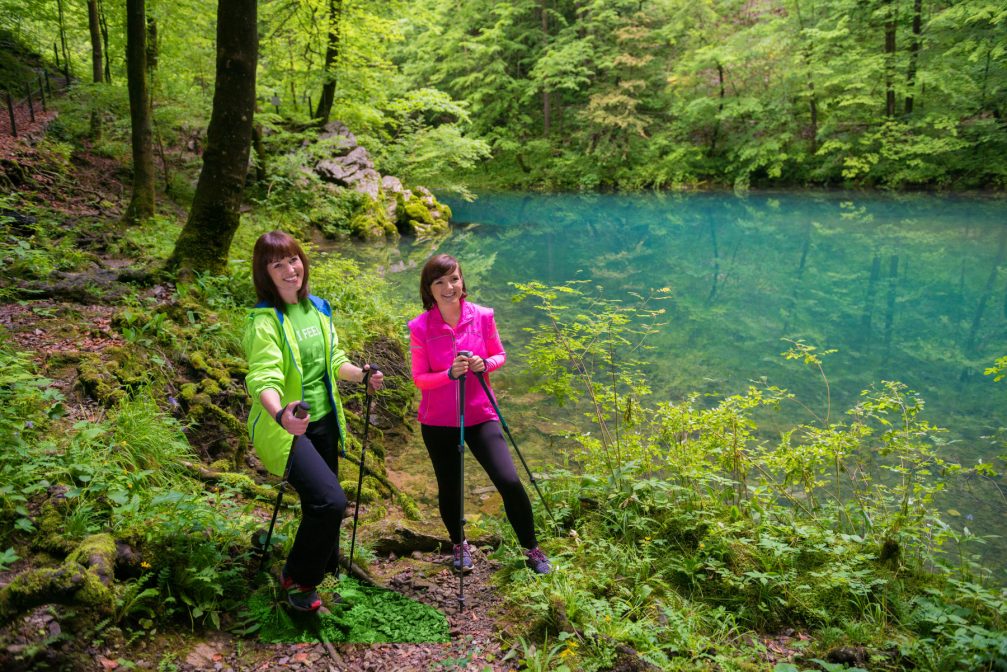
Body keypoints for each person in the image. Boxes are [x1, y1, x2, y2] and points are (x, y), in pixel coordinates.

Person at [243, 230, 383, 611]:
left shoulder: (318, 307)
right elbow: (263, 378)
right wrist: (280, 414)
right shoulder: (265, 322)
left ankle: (324, 562)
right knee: (329, 501)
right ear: (265, 273)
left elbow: (334, 360)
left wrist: (362, 374)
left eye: (293, 260)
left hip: (323, 422)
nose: (290, 270)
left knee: (318, 501)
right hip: (289, 429)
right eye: (278, 265)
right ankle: (299, 578)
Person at [408, 253, 551, 575]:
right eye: (440, 282)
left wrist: (484, 364)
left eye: (454, 279)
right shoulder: (420, 327)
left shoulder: (483, 316)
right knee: (451, 486)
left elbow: (500, 355)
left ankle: (532, 548)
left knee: (509, 480)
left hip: (480, 414)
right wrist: (448, 374)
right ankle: (459, 545)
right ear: (428, 288)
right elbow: (419, 379)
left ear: (462, 281)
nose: (449, 287)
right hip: (438, 421)